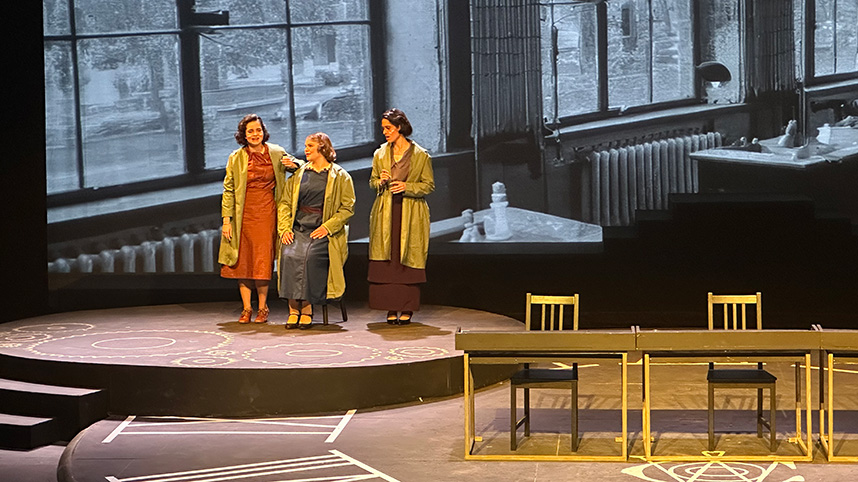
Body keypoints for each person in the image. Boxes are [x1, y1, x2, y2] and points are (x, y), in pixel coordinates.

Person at [219, 114, 300, 324]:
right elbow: (228, 190)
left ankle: (263, 308)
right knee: (243, 262)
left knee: (261, 261)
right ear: (243, 135)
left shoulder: (276, 151)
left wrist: (293, 164)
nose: (255, 135)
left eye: (258, 130)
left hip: (267, 212)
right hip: (242, 214)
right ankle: (247, 308)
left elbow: (298, 165)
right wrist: (227, 221)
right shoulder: (236, 157)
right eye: (250, 131)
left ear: (263, 131)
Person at [278, 133, 355, 329]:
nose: (306, 149)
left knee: (310, 257)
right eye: (305, 145)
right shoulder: (299, 174)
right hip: (299, 228)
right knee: (288, 254)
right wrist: (285, 229)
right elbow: (285, 204)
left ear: (322, 148)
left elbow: (347, 208)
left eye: (310, 145)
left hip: (322, 230)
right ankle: (293, 308)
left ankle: (307, 309)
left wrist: (327, 227)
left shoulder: (340, 176)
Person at [368, 108, 434, 325]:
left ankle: (406, 308)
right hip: (386, 211)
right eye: (383, 129)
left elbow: (428, 185)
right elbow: (372, 182)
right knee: (388, 260)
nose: (385, 132)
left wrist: (407, 187)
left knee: (406, 261)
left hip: (410, 213)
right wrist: (381, 182)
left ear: (399, 127)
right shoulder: (380, 154)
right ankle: (390, 306)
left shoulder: (421, 155)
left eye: (388, 128)